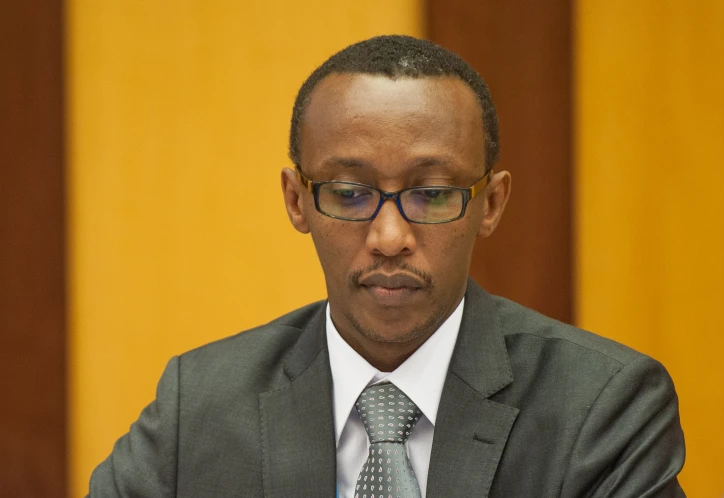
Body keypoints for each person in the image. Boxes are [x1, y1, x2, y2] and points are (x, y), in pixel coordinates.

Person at [88, 35, 685, 497]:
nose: (390, 236)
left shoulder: (603, 408)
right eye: (349, 193)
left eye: (432, 194)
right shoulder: (201, 407)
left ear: (491, 204)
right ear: (297, 201)